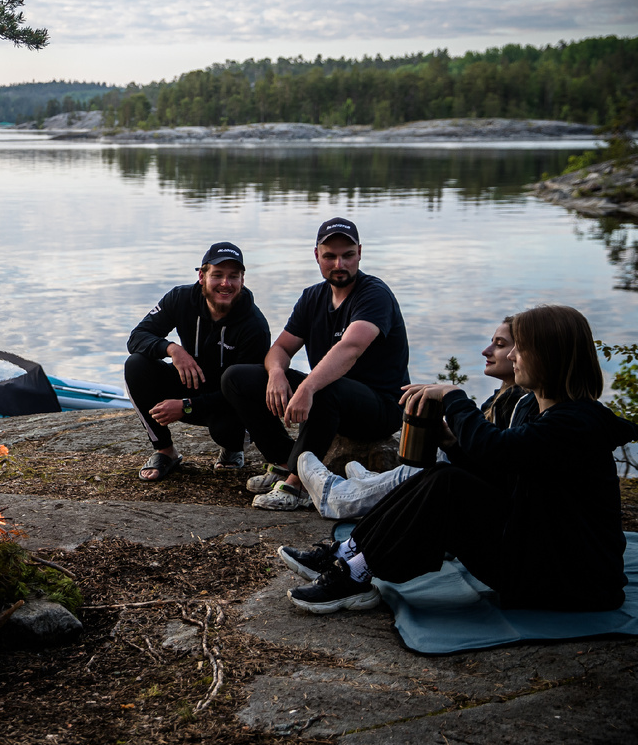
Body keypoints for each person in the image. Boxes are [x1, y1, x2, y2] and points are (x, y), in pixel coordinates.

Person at [280, 304, 637, 614]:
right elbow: (503, 475)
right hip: (543, 555)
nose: (513, 356)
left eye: (521, 348)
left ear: (550, 356)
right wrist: (452, 443)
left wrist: (454, 397)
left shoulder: (576, 424)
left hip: (569, 582)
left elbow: (494, 448)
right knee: (441, 474)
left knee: (447, 484)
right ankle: (348, 554)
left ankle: (355, 574)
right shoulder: (550, 414)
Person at [220, 217, 409, 510]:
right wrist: (277, 373)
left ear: (360, 253)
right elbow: (281, 348)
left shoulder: (374, 294)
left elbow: (350, 348)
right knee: (236, 378)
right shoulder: (313, 297)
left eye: (347, 255)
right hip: (333, 398)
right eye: (330, 256)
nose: (339, 264)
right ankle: (285, 461)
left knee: (322, 385)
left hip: (380, 407)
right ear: (317, 256)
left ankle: (297, 486)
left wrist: (307, 387)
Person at [296, 316, 532, 519]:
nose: (486, 351)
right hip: (473, 487)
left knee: (437, 463)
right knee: (437, 454)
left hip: (481, 502)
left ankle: (338, 496)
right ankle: (371, 486)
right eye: (492, 342)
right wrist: (450, 441)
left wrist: (454, 401)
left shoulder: (519, 403)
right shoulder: (502, 398)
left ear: (524, 354)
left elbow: (492, 459)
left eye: (500, 345)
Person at [126, 242, 271, 481]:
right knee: (136, 365)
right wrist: (172, 349)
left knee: (226, 430)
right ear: (202, 276)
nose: (226, 283)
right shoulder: (180, 298)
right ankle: (165, 451)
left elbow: (249, 390)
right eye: (218, 275)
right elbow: (137, 337)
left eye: (233, 276)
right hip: (190, 382)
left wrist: (186, 405)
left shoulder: (254, 325)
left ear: (242, 280)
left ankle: (233, 448)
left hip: (227, 401)